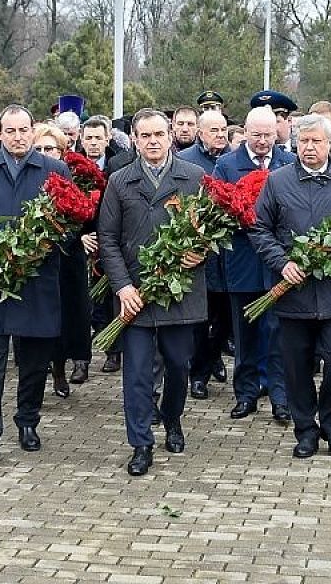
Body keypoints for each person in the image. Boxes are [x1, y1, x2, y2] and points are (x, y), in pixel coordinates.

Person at [0, 105, 71, 462]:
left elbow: (69, 226)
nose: (18, 137)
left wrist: (47, 243)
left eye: (24, 130)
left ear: (34, 131)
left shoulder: (54, 170)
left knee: (35, 359)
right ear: (0, 133)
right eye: (11, 131)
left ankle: (27, 421)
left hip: (38, 282)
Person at [249, 113, 331, 458]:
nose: (310, 147)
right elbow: (259, 228)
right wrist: (282, 263)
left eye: (317, 141)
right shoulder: (278, 180)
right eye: (304, 141)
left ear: (330, 143)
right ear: (295, 143)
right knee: (296, 363)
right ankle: (306, 430)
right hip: (294, 291)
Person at [98, 108, 208, 475]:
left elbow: (209, 229)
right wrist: (123, 286)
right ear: (134, 139)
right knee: (138, 373)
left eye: (159, 134)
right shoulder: (119, 180)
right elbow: (108, 240)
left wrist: (201, 251)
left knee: (178, 365)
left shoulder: (194, 178)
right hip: (136, 295)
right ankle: (140, 443)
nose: (153, 142)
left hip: (180, 292)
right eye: (145, 136)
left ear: (170, 137)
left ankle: (172, 418)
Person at [214, 105, 294, 423]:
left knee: (277, 333)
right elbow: (216, 209)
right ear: (245, 132)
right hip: (243, 261)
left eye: (268, 135)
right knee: (244, 333)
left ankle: (279, 396)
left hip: (277, 263)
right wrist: (242, 212)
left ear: (277, 133)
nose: (262, 141)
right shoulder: (228, 164)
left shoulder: (288, 163)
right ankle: (245, 394)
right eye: (257, 135)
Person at [31, 123, 93, 398]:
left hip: (68, 258)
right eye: (39, 148)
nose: (45, 153)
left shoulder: (71, 176)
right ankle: (41, 370)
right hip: (34, 258)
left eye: (50, 149)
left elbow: (83, 217)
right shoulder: (29, 176)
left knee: (66, 316)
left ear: (62, 151)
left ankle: (61, 366)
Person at [177, 109, 231, 398]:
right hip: (197, 256)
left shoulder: (234, 160)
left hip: (228, 256)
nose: (220, 135)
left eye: (224, 129)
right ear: (200, 132)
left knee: (224, 320)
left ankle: (212, 360)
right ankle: (197, 374)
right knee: (199, 320)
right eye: (214, 130)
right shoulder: (186, 162)